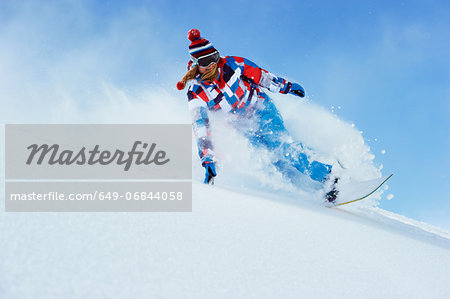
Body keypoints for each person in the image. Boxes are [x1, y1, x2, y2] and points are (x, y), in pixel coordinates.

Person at [177, 29, 338, 201]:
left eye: (215, 57)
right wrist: (207, 159)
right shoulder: (196, 93)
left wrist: (287, 87)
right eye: (207, 61)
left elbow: (261, 76)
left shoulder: (232, 64)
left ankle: (330, 176)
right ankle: (317, 190)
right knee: (275, 162)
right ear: (196, 64)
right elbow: (201, 126)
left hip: (261, 109)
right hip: (243, 127)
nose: (213, 64)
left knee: (281, 146)